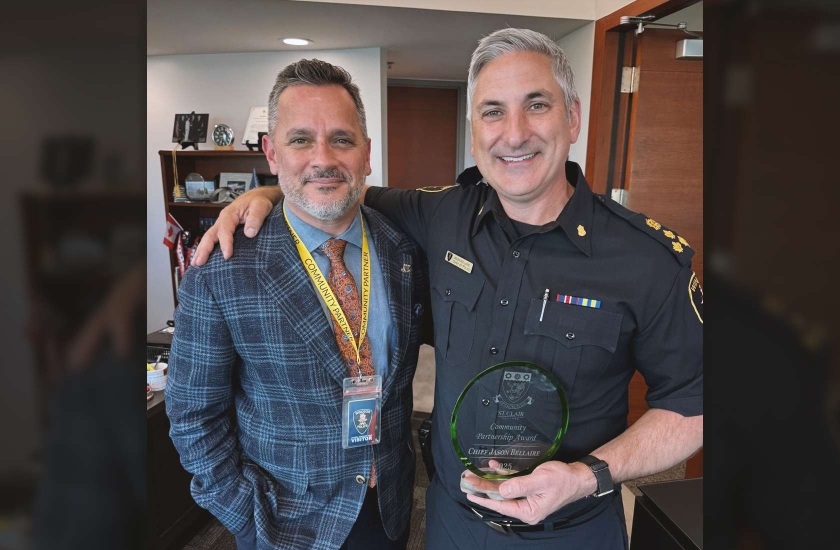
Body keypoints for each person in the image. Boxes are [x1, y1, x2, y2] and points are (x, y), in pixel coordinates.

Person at [192, 29, 703, 549]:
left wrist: (585, 476)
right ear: (474, 129)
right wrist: (262, 193)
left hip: (571, 530)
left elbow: (696, 404)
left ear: (572, 117)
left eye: (537, 105)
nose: (515, 133)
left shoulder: (647, 258)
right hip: (447, 522)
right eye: (493, 111)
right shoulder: (436, 215)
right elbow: (331, 184)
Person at [166, 59, 428, 550]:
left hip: (389, 507)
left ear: (367, 154)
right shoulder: (221, 266)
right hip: (284, 522)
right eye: (301, 139)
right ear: (271, 152)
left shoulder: (402, 248)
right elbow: (192, 414)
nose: (322, 158)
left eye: (342, 140)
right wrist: (243, 516)